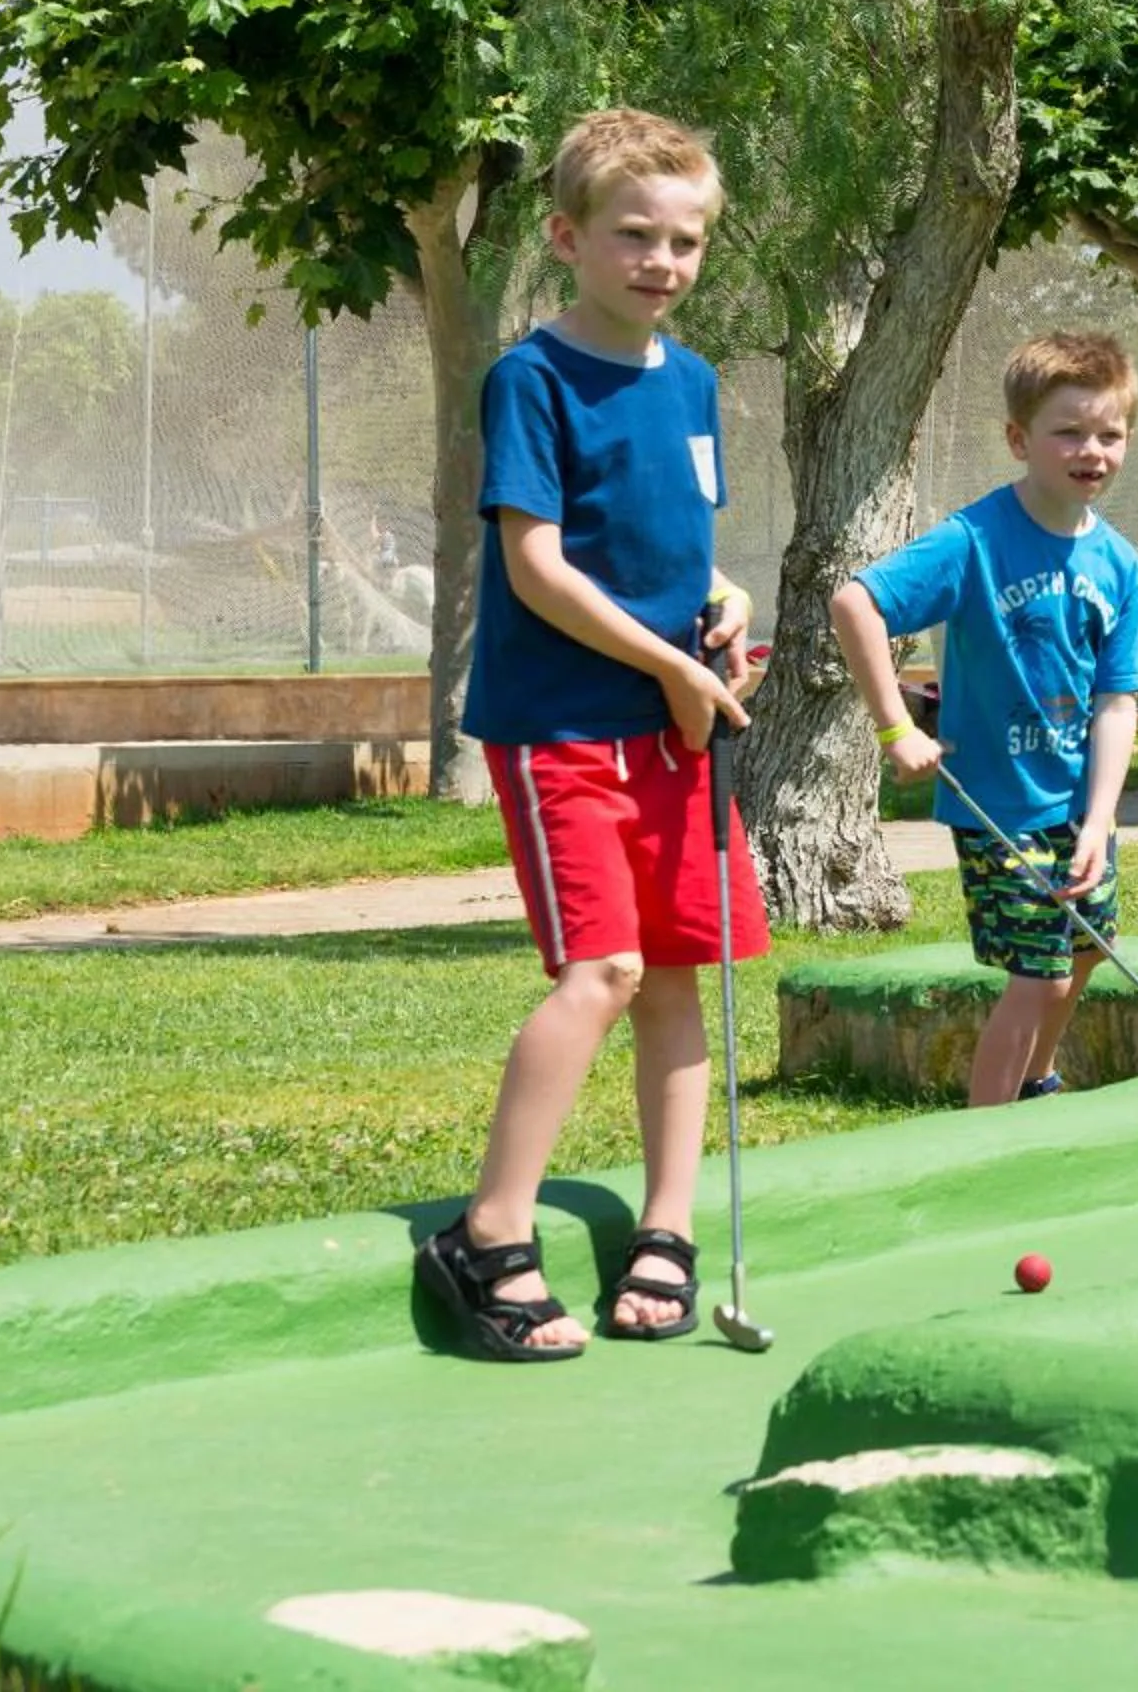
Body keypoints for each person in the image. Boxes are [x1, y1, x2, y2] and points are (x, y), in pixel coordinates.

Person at [414, 108, 766, 1362]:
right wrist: (671, 665)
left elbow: (676, 546)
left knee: (676, 975)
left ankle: (667, 1227)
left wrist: (724, 600)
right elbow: (539, 566)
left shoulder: (694, 381)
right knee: (605, 970)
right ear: (568, 237)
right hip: (565, 729)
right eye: (633, 235)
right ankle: (489, 1232)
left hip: (674, 734)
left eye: (685, 240)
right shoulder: (532, 379)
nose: (662, 261)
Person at [829, 331, 1138, 1108]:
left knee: (1086, 950)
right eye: (1068, 432)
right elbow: (855, 603)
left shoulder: (1119, 563)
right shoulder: (973, 541)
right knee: (1037, 974)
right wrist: (895, 727)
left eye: (1109, 434)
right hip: (997, 807)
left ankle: (1035, 1084)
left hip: (1079, 810)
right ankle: (987, 1130)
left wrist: (1100, 819)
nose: (1091, 451)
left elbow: (1117, 700)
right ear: (1018, 439)